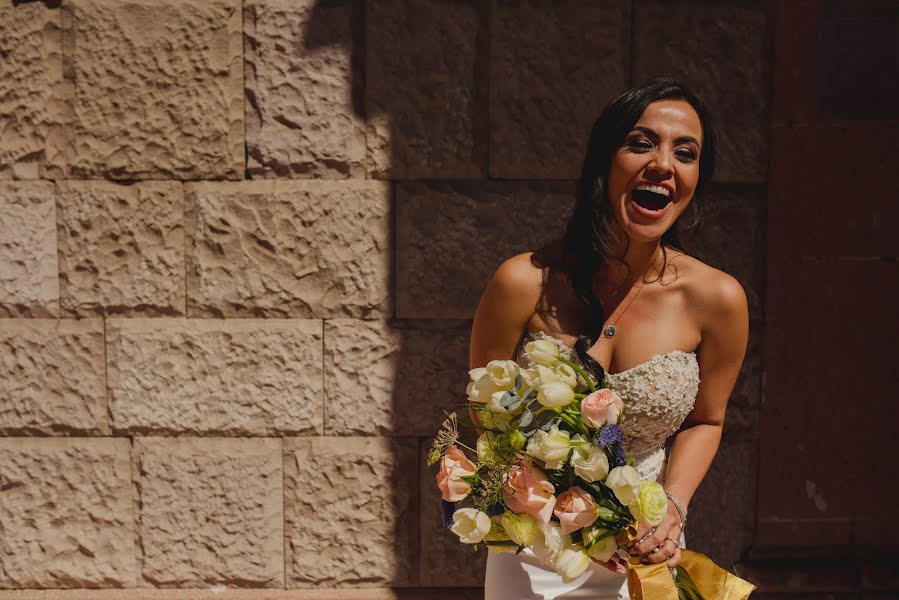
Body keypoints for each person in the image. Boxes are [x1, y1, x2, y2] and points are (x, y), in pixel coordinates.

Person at [470, 77, 749, 599]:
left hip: (645, 552)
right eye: (641, 143)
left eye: (685, 153)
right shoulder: (522, 284)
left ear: (695, 180)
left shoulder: (718, 299)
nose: (663, 164)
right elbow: (483, 412)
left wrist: (673, 504)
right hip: (534, 552)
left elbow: (707, 419)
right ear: (604, 162)